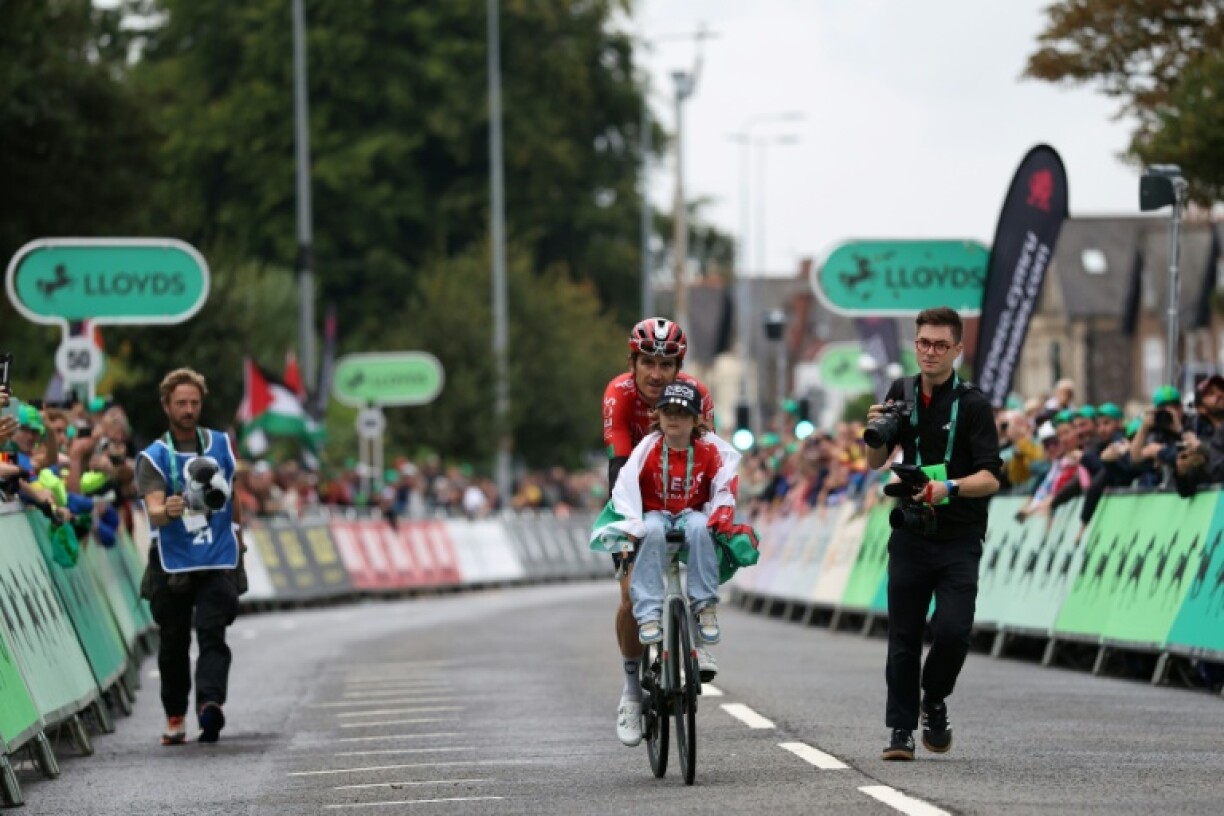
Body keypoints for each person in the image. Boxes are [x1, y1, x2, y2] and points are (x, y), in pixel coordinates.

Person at [863, 307, 1001, 761]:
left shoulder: (974, 405)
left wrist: (950, 487)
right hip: (911, 529)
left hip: (959, 534)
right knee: (903, 635)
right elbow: (874, 463)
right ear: (915, 344)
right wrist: (874, 432)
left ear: (957, 349)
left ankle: (934, 699)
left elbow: (991, 477)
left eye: (941, 345)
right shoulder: (900, 392)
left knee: (953, 631)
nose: (931, 352)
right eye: (924, 342)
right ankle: (901, 730)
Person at [601, 317, 714, 747]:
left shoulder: (696, 394)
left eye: (666, 365)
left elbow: (711, 459)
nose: (656, 373)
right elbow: (618, 467)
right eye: (647, 362)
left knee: (702, 536)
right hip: (634, 491)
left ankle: (699, 633)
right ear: (632, 362)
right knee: (630, 597)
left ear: (678, 368)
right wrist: (627, 529)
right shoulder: (619, 394)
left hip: (684, 492)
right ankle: (631, 692)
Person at [136, 368, 246, 746]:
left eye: (194, 403)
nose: (188, 409)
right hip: (173, 563)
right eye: (181, 403)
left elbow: (234, 494)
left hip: (216, 558)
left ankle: (210, 705)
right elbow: (153, 510)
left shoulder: (220, 444)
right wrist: (166, 509)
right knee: (174, 642)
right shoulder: (154, 456)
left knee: (214, 632)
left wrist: (239, 539)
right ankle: (175, 714)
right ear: (166, 405)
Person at [606, 382, 736, 648]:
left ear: (696, 419)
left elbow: (724, 485)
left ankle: (705, 607)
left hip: (691, 514)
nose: (674, 418)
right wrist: (630, 523)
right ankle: (648, 615)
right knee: (651, 529)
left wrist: (721, 514)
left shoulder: (709, 451)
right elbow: (625, 486)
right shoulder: (647, 449)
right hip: (656, 514)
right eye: (668, 412)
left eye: (682, 413)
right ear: (658, 416)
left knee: (701, 527)